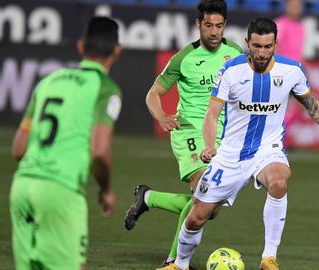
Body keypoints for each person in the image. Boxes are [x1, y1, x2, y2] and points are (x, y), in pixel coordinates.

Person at [161, 17, 319, 270]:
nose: (262, 53)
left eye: (268, 47)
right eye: (257, 46)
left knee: (279, 182)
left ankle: (268, 258)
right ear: (247, 43)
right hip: (230, 153)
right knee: (197, 217)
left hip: (267, 150)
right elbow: (212, 114)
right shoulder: (230, 71)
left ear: (276, 44)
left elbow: (314, 107)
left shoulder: (292, 70)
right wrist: (210, 146)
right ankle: (179, 265)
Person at [123, 0, 242, 268]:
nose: (214, 32)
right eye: (209, 25)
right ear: (198, 24)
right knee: (203, 188)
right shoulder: (184, 58)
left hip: (220, 136)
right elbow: (154, 93)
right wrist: (161, 116)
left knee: (209, 210)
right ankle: (175, 261)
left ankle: (148, 198)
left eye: (219, 26)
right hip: (189, 131)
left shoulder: (234, 53)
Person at [9, 16, 122, 270]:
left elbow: (19, 148)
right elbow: (100, 151)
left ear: (81, 47)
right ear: (117, 51)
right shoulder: (105, 89)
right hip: (60, 190)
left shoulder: (49, 81)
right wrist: (106, 190)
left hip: (22, 186)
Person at [275, 0, 306, 148]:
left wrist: (305, 69)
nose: (297, 9)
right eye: (294, 5)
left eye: (299, 6)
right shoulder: (281, 24)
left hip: (296, 73)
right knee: (279, 108)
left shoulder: (301, 27)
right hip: (283, 73)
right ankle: (278, 139)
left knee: (299, 107)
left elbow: (298, 52)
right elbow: (275, 47)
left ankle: (281, 137)